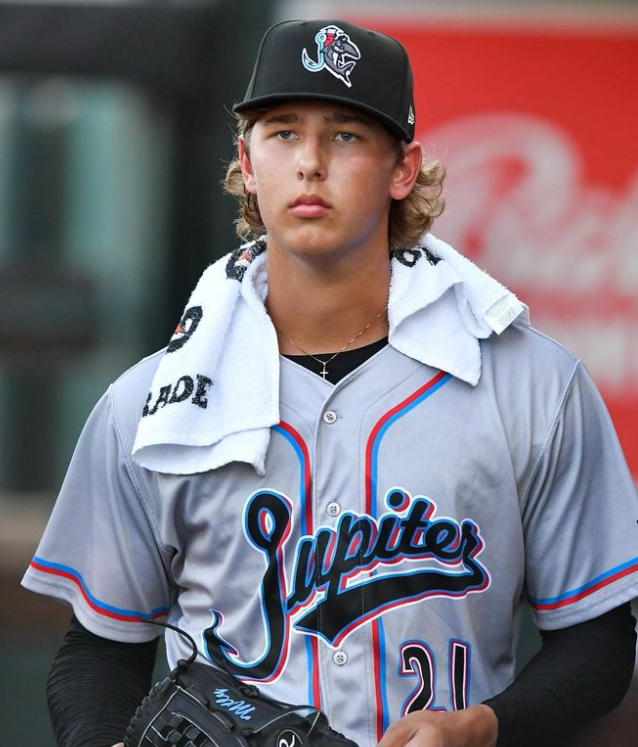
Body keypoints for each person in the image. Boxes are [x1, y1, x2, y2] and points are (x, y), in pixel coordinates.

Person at [23, 18, 638, 747]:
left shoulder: (535, 385)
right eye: (282, 132)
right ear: (248, 162)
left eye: (345, 134)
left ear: (402, 169)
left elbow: (598, 642)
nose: (310, 161)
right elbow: (99, 650)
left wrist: (487, 725)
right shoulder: (147, 405)